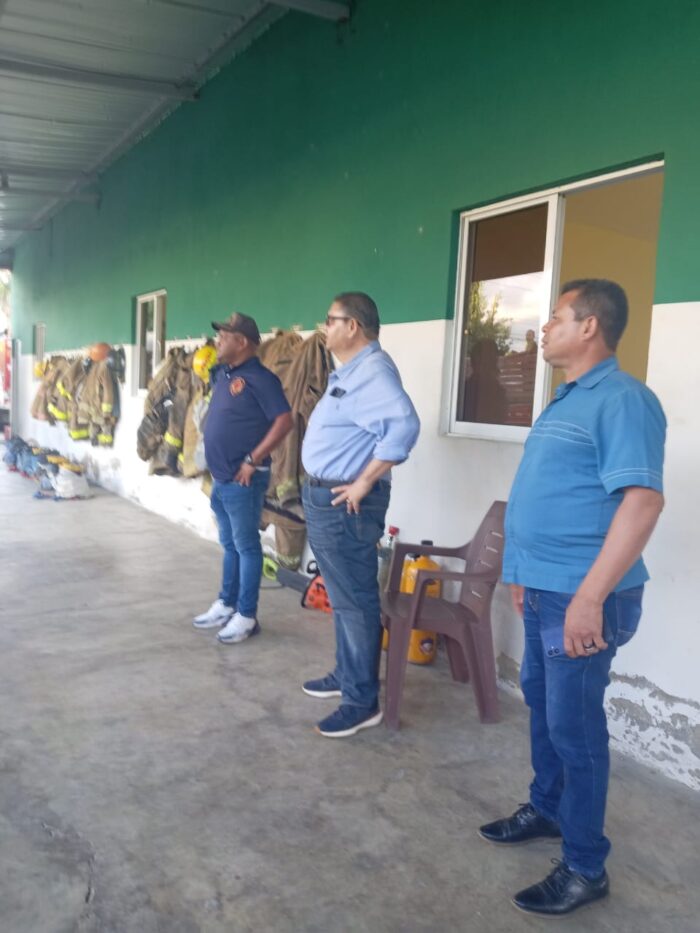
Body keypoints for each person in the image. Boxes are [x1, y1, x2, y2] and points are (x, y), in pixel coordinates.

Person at [479, 280, 666, 917]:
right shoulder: (566, 400)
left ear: (589, 327)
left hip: (582, 597)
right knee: (542, 703)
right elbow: (550, 494)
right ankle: (549, 808)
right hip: (545, 587)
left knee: (574, 727)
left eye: (556, 317)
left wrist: (590, 597)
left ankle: (585, 866)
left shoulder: (623, 400)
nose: (544, 328)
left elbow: (643, 501)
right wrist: (520, 570)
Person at [300, 292, 420, 738]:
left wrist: (365, 480)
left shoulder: (372, 371)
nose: (324, 327)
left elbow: (404, 426)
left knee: (355, 601)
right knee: (342, 595)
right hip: (328, 500)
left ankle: (361, 701)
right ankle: (347, 674)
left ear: (353, 326)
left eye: (330, 320)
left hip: (346, 505)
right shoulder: (352, 371)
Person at [193, 312, 293, 644]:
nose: (218, 341)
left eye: (224, 337)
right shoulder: (225, 375)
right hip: (221, 479)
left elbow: (284, 421)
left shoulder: (261, 379)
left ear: (242, 342)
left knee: (247, 547)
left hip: (244, 480)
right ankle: (227, 603)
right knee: (230, 545)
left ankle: (246, 615)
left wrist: (253, 459)